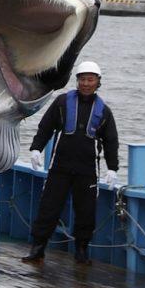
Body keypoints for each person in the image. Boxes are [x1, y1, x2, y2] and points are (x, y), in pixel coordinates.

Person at [22, 60, 118, 265]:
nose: (86, 83)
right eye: (82, 79)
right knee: (49, 207)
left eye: (90, 79)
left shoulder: (104, 111)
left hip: (87, 170)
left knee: (86, 212)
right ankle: (38, 248)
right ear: (77, 81)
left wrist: (113, 168)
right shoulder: (62, 102)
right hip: (60, 167)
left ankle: (82, 250)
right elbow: (45, 127)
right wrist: (36, 148)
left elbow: (111, 141)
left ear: (98, 82)